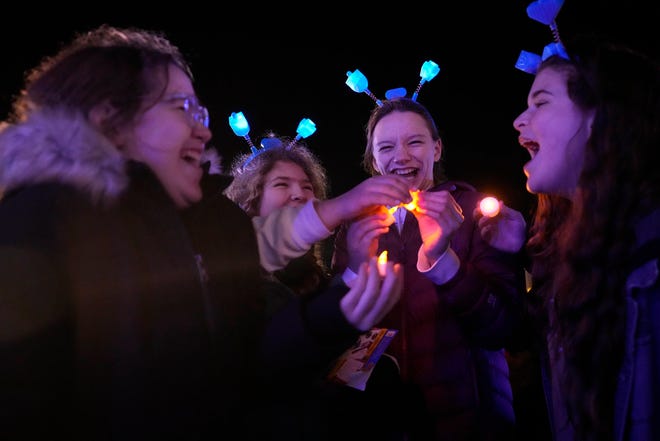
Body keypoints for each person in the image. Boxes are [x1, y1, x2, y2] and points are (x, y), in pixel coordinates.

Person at [0, 25, 403, 441]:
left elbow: (241, 364)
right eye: (181, 109)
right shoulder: (40, 222)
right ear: (109, 116)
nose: (204, 131)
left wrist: (334, 312)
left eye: (201, 113)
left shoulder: (212, 224)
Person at [477, 34, 660, 441]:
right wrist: (519, 255)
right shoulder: (571, 253)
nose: (518, 121)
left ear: (601, 116)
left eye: (540, 102)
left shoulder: (650, 265)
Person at [331, 96, 527, 440]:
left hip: (472, 418)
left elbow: (503, 327)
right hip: (387, 419)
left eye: (415, 142)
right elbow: (337, 329)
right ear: (374, 161)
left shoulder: (473, 212)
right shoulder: (356, 225)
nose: (401, 156)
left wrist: (442, 259)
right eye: (387, 146)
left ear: (437, 149)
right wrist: (354, 273)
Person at [224, 133, 410, 440]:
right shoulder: (233, 280)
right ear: (250, 200)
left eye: (308, 187)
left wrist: (357, 267)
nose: (300, 195)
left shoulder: (316, 278)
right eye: (282, 184)